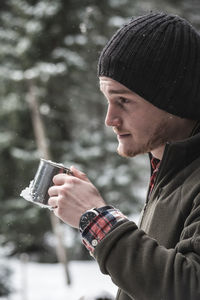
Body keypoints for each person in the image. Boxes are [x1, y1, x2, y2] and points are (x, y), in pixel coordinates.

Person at [48, 12, 200, 300]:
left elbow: (190, 287)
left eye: (123, 101)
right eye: (107, 100)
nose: (110, 118)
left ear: (171, 99)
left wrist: (97, 221)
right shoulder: (169, 172)